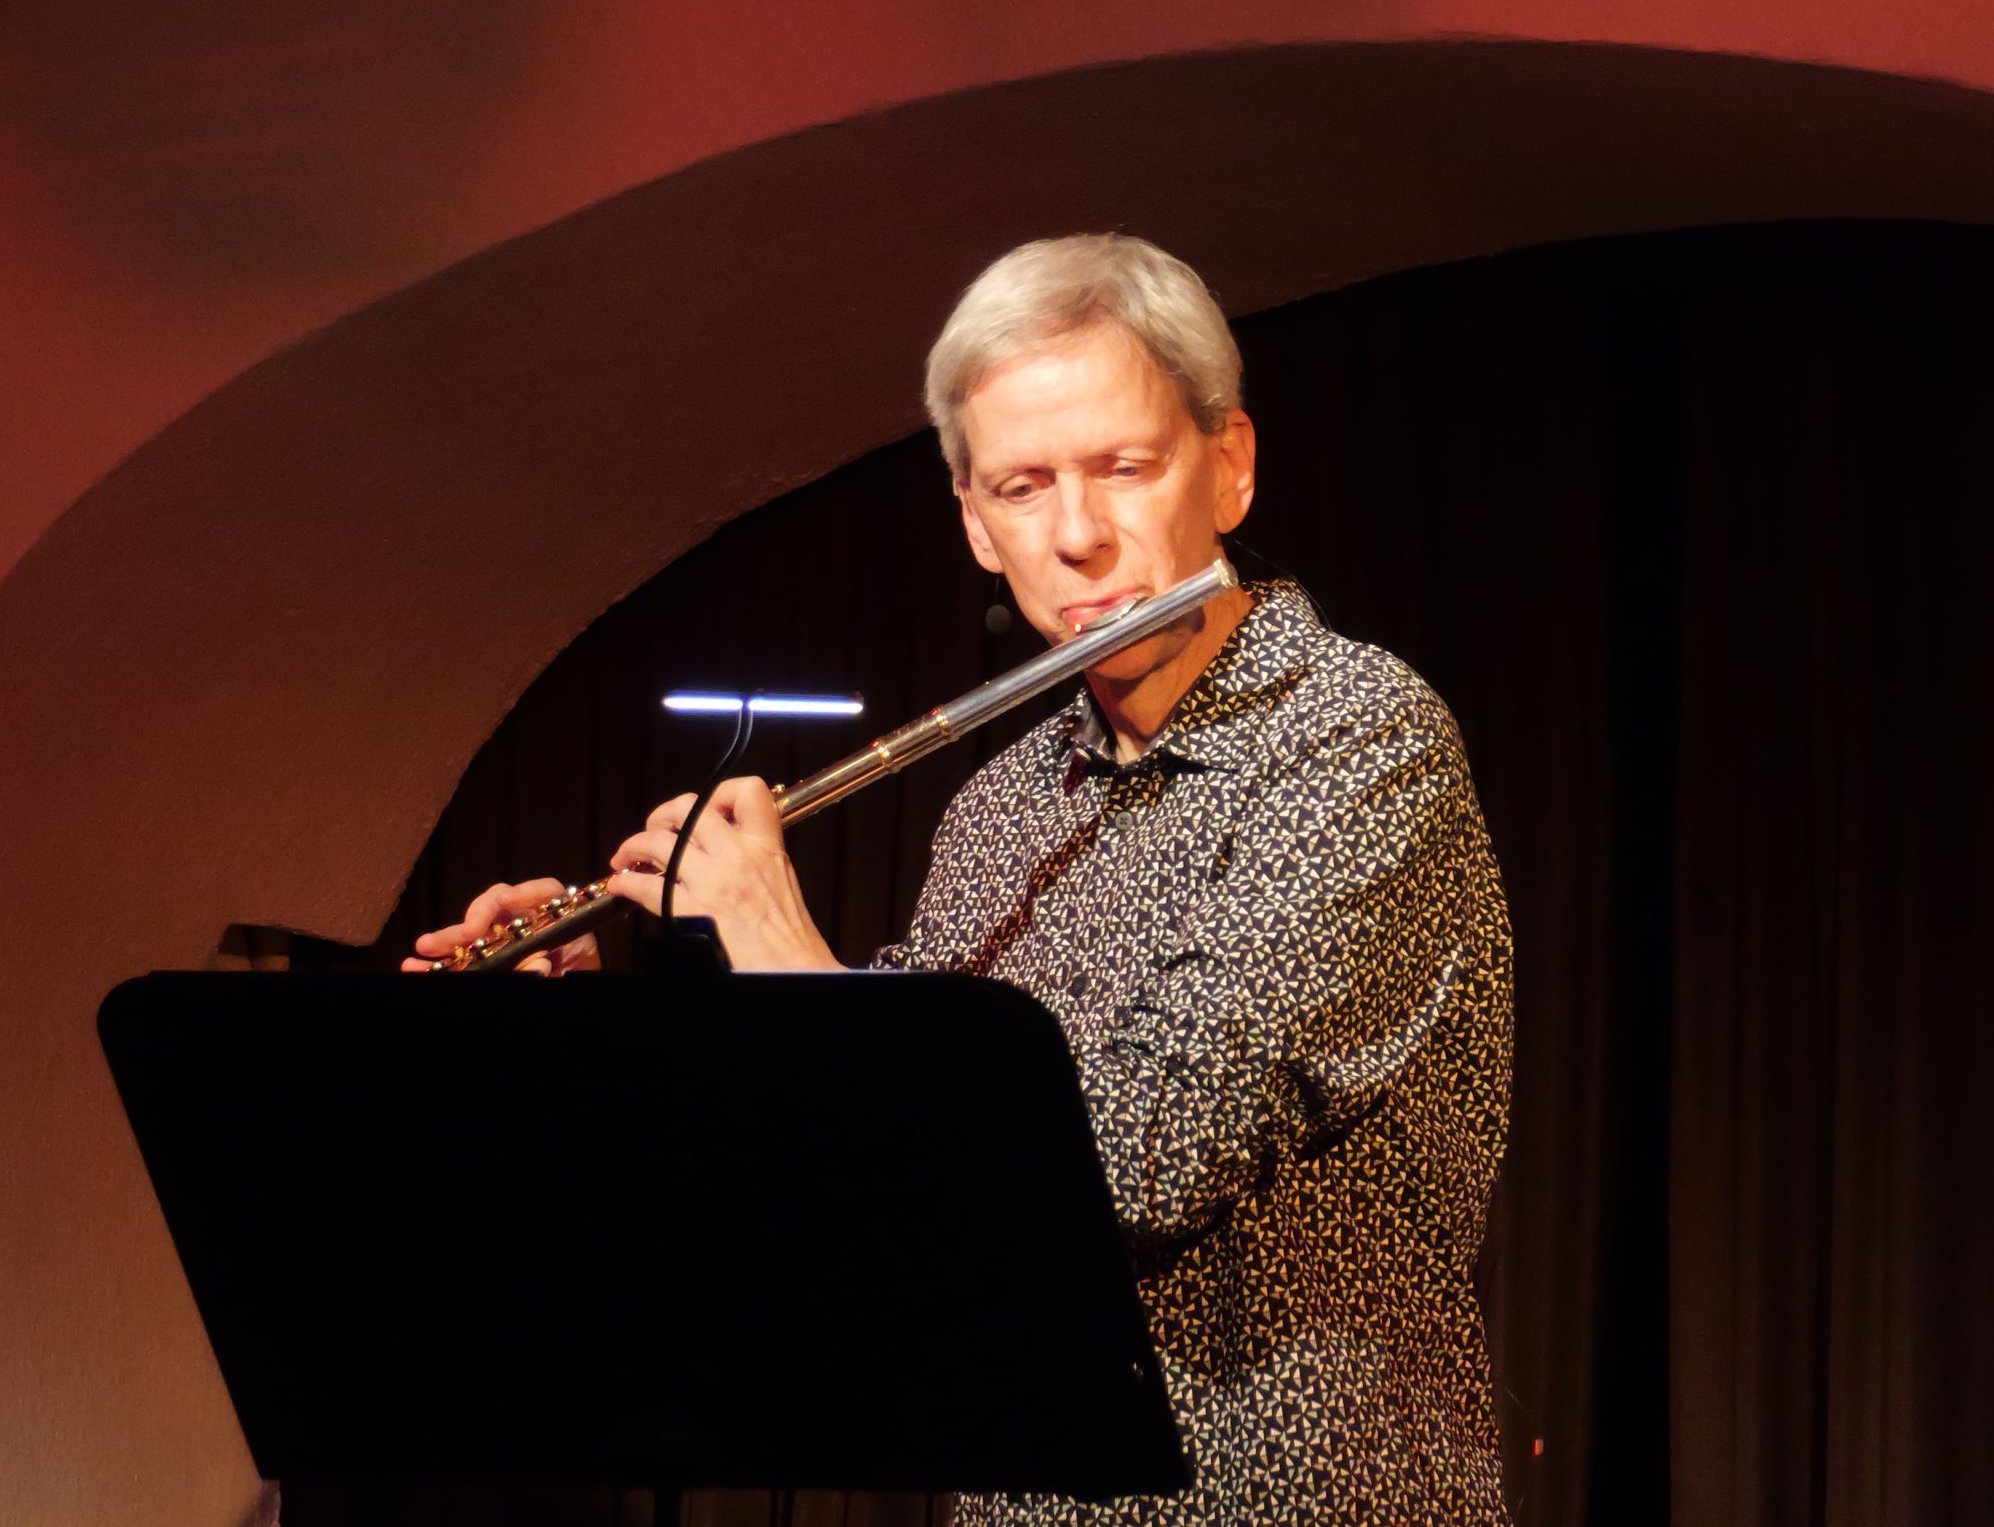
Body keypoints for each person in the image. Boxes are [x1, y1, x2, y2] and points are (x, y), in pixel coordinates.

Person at [406, 234, 1514, 1526]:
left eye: (1126, 468)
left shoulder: (1360, 737)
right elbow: (860, 1165)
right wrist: (597, 1023)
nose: (1080, 538)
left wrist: (782, 947)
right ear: (977, 524)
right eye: (1024, 488)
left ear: (1230, 466)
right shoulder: (1001, 806)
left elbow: (1140, 1160)